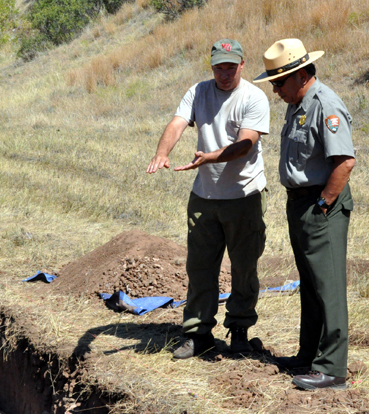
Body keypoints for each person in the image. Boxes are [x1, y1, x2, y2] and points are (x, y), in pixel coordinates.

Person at [147, 39, 270, 359]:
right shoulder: (198, 91)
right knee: (200, 269)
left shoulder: (254, 97)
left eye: (231, 66)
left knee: (244, 269)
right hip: (203, 196)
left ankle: (240, 331)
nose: (225, 73)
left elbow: (245, 145)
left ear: (242, 64)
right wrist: (162, 153)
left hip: (243, 195)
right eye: (219, 67)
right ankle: (198, 334)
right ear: (211, 66)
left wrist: (209, 158)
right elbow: (177, 123)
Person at [253, 38, 356, 390]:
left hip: (321, 202)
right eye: (273, 84)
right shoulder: (298, 103)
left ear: (300, 75)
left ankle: (332, 368)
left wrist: (323, 205)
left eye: (279, 83)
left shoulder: (325, 104)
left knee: (328, 287)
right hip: (302, 203)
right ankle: (308, 356)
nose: (275, 90)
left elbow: (344, 162)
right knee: (310, 285)